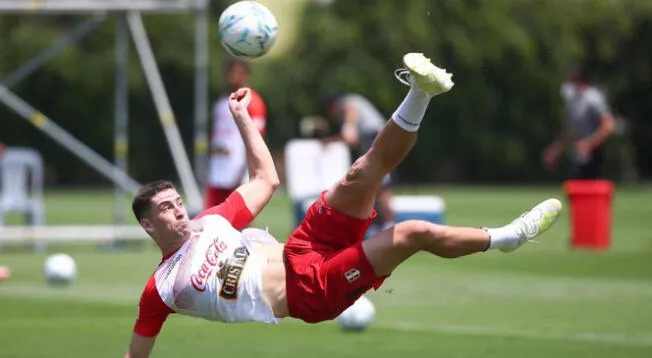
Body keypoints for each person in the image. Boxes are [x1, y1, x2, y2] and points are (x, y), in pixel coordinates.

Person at [124, 53, 563, 358]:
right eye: (166, 209)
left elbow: (266, 180)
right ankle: (507, 237)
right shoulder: (159, 289)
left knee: (361, 172)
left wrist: (243, 120)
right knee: (412, 232)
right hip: (308, 292)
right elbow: (137, 349)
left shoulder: (211, 221)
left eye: (179, 202)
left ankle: (423, 91)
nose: (179, 211)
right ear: (148, 226)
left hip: (301, 248)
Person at [321, 91, 395, 229]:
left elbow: (350, 135)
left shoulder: (348, 104)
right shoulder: (354, 102)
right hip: (378, 137)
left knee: (380, 183)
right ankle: (380, 222)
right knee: (373, 183)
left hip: (375, 138)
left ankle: (388, 223)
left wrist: (347, 127)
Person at [204, 57, 267, 209]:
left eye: (238, 73)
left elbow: (257, 138)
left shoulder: (253, 102)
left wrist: (247, 167)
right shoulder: (221, 101)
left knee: (240, 214)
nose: (233, 77)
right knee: (211, 214)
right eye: (230, 73)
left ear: (246, 75)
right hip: (218, 168)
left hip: (238, 167)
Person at [542, 67, 616, 179]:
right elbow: (569, 133)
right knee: (573, 187)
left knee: (591, 191)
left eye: (569, 81)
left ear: (579, 81)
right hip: (577, 154)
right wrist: (555, 151)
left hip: (595, 154)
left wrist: (589, 144)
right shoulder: (572, 103)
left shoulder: (593, 98)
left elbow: (609, 125)